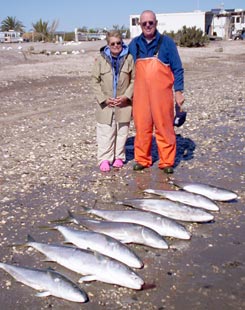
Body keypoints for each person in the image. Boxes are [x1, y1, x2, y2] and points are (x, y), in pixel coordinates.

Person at [129, 10, 185, 174]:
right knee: (142, 127)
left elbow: (178, 69)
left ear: (156, 23)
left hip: (162, 95)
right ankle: (142, 159)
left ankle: (167, 161)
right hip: (141, 95)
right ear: (140, 24)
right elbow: (123, 64)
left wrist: (179, 91)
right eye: (144, 23)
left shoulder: (167, 43)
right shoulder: (134, 44)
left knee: (164, 126)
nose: (147, 25)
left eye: (150, 22)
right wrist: (104, 56)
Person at [92, 30, 135, 172]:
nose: (116, 46)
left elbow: (134, 79)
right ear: (108, 44)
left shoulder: (129, 59)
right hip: (106, 105)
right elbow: (95, 81)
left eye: (118, 43)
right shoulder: (100, 59)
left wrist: (127, 96)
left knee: (122, 132)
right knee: (106, 131)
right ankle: (104, 158)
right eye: (113, 43)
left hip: (123, 103)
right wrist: (104, 99)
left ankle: (118, 157)